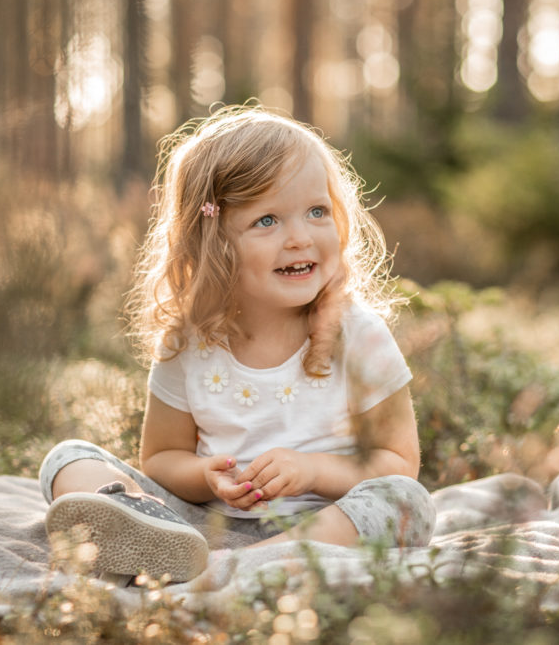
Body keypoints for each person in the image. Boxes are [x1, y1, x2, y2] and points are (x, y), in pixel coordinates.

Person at [39, 105, 435, 583]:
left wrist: (311, 471)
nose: (299, 238)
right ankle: (158, 540)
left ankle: (244, 565)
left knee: (403, 501)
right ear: (214, 244)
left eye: (317, 211)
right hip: (203, 526)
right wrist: (206, 476)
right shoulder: (188, 341)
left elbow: (398, 461)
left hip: (321, 526)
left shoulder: (360, 334)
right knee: (67, 459)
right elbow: (162, 457)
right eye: (267, 220)